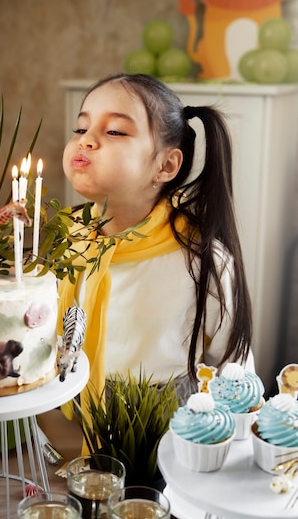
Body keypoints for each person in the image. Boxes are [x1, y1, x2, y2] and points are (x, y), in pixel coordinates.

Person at [58, 73, 253, 409]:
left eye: (115, 131)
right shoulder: (66, 238)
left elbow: (234, 369)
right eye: (81, 128)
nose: (86, 141)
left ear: (165, 165)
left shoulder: (200, 259)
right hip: (69, 410)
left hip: (164, 428)